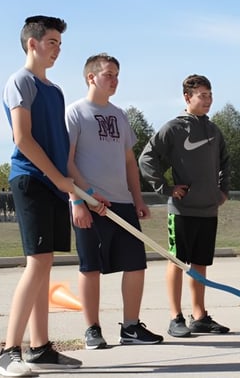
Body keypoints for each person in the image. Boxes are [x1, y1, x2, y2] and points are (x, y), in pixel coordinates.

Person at [0, 15, 80, 377]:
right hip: (31, 180)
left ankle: (41, 348)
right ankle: (7, 352)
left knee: (46, 266)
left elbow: (60, 145)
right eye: (51, 42)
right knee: (38, 262)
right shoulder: (20, 82)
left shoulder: (56, 91)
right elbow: (23, 139)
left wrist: (77, 188)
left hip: (56, 183)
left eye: (60, 44)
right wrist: (58, 178)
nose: (57, 50)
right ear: (32, 43)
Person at [66, 53, 163, 348]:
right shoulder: (75, 113)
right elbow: (65, 161)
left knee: (135, 265)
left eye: (117, 75)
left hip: (121, 203)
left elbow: (129, 161)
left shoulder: (120, 115)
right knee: (90, 267)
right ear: (90, 77)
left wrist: (137, 199)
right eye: (108, 74)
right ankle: (92, 329)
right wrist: (77, 201)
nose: (114, 80)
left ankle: (131, 328)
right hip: (91, 203)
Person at [138, 74, 231, 338]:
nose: (208, 100)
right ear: (187, 98)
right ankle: (175, 317)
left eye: (210, 95)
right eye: (202, 95)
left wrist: (222, 191)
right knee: (177, 261)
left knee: (200, 263)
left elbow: (226, 163)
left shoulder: (214, 131)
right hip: (182, 210)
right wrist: (166, 188)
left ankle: (199, 316)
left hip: (208, 209)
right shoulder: (174, 128)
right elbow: (147, 159)